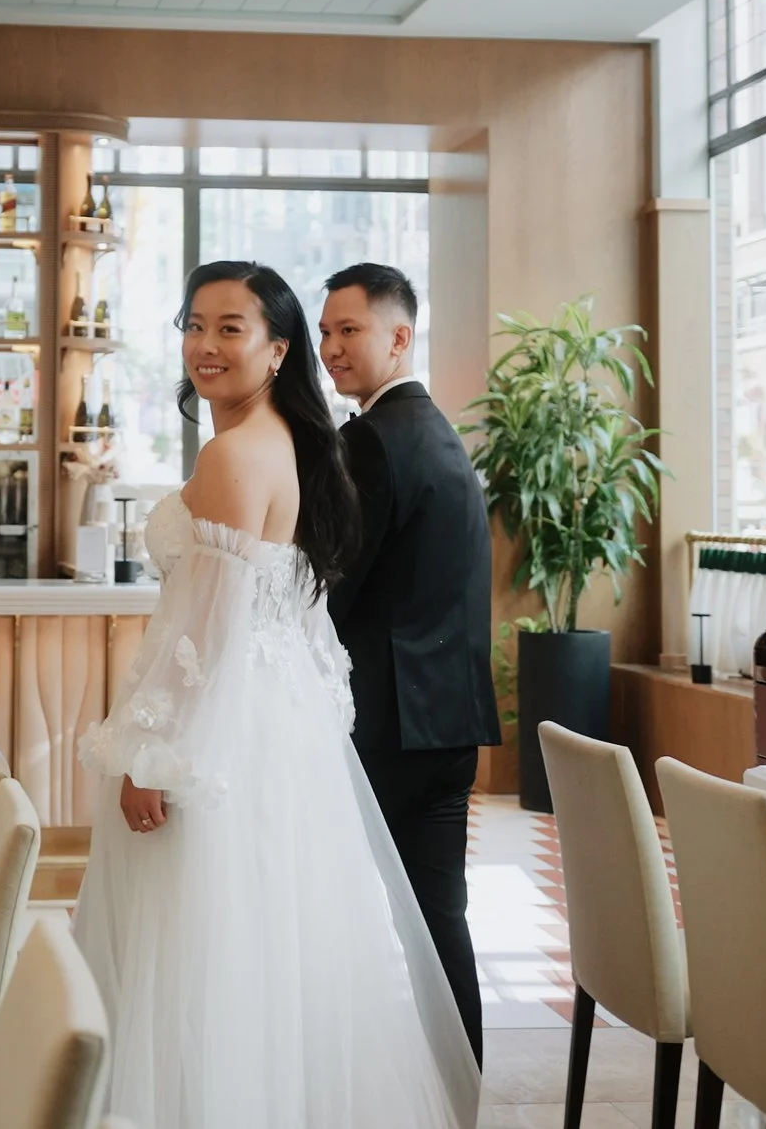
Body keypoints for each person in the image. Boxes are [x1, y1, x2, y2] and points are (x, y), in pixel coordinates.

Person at [73, 262, 476, 1129]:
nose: (205, 346)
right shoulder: (299, 445)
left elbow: (207, 639)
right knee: (265, 945)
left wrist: (151, 754)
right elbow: (290, 618)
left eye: (231, 328)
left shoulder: (233, 454)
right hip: (273, 731)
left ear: (274, 348)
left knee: (200, 948)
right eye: (194, 325)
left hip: (219, 735)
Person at [316, 262, 500, 1067]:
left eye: (348, 330)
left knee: (342, 916)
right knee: (438, 921)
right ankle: (457, 1093)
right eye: (324, 332)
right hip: (447, 720)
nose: (330, 348)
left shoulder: (369, 439)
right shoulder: (438, 433)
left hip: (383, 724)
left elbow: (330, 588)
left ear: (399, 335)